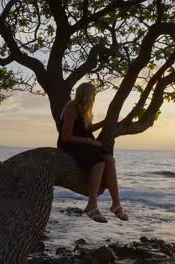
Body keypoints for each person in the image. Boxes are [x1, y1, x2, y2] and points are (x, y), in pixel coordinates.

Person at [57, 82, 128, 223]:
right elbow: (66, 137)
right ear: (87, 95)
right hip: (72, 146)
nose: (94, 97)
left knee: (110, 160)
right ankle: (92, 205)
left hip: (84, 144)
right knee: (99, 162)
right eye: (93, 94)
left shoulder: (83, 109)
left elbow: (87, 129)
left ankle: (116, 204)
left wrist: (104, 123)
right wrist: (90, 142)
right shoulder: (71, 109)